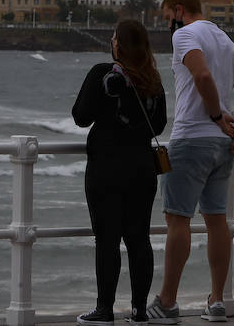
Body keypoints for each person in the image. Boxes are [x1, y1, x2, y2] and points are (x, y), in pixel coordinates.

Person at [146, 0, 234, 325]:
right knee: (216, 221)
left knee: (177, 219)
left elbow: (202, 75)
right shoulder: (225, 41)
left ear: (179, 10)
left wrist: (214, 115)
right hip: (221, 147)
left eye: (168, 17)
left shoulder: (185, 35)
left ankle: (167, 302)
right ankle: (216, 300)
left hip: (192, 138)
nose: (168, 24)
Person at [72, 19, 169, 325]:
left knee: (107, 240)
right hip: (141, 169)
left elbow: (80, 116)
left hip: (106, 169)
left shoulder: (103, 73)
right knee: (139, 239)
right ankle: (139, 310)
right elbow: (159, 124)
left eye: (114, 38)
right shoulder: (153, 80)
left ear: (119, 45)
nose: (111, 41)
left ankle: (104, 310)